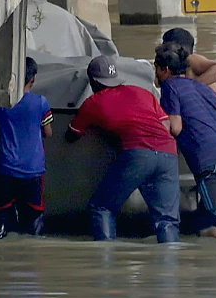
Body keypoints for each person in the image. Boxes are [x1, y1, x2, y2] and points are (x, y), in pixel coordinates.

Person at [66, 55, 181, 243]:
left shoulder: (93, 102)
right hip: (168, 153)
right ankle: (171, 259)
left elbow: (72, 135)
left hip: (138, 154)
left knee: (102, 207)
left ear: (93, 81)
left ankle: (105, 255)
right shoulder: (142, 92)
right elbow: (166, 124)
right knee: (166, 220)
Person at [156, 42, 216, 244]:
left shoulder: (170, 87)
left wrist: (155, 124)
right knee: (204, 224)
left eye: (156, 68)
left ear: (165, 70)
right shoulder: (203, 88)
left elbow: (176, 127)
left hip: (209, 165)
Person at [0, 58, 54, 239]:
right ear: (32, 80)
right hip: (33, 170)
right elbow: (48, 132)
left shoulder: (0, 102)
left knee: (2, 216)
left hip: (6, 168)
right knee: (34, 218)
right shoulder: (40, 102)